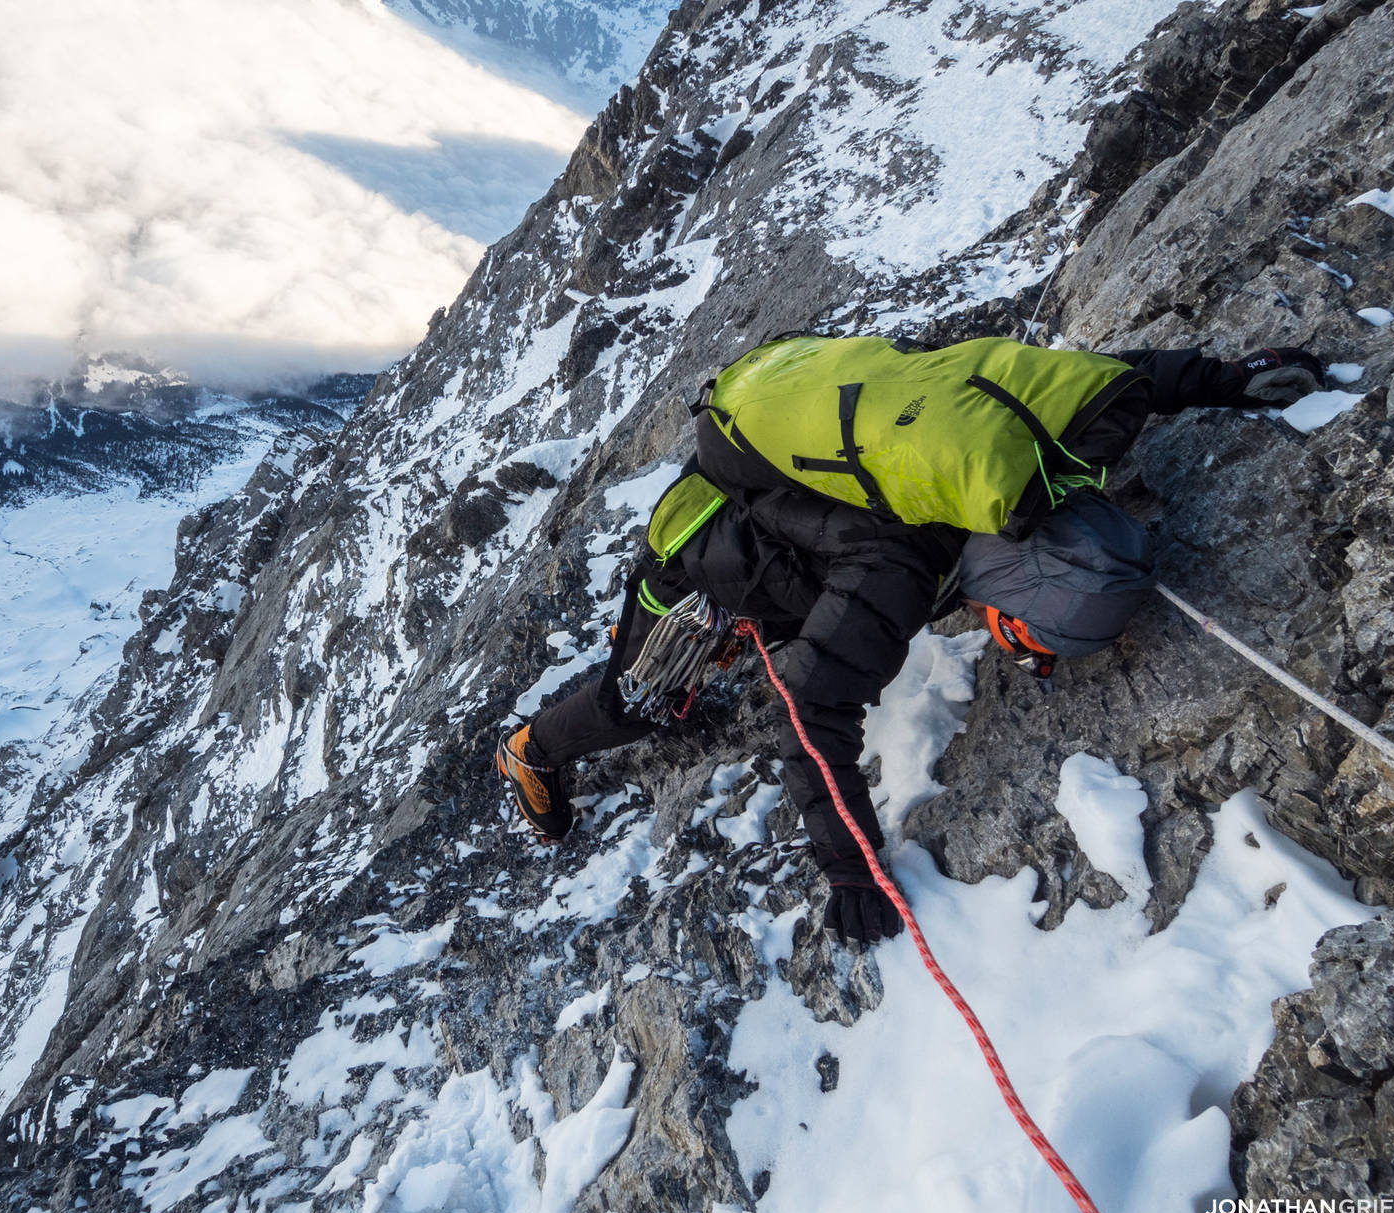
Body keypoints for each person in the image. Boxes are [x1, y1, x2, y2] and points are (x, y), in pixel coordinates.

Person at [495, 334, 1324, 946]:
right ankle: (530, 749)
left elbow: (1122, 378)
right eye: (1031, 640)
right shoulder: (902, 561)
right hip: (698, 551)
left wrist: (1230, 379)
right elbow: (814, 709)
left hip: (788, 485)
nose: (1024, 654)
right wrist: (849, 863)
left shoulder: (1010, 457)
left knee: (787, 609)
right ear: (1010, 600)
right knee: (643, 702)